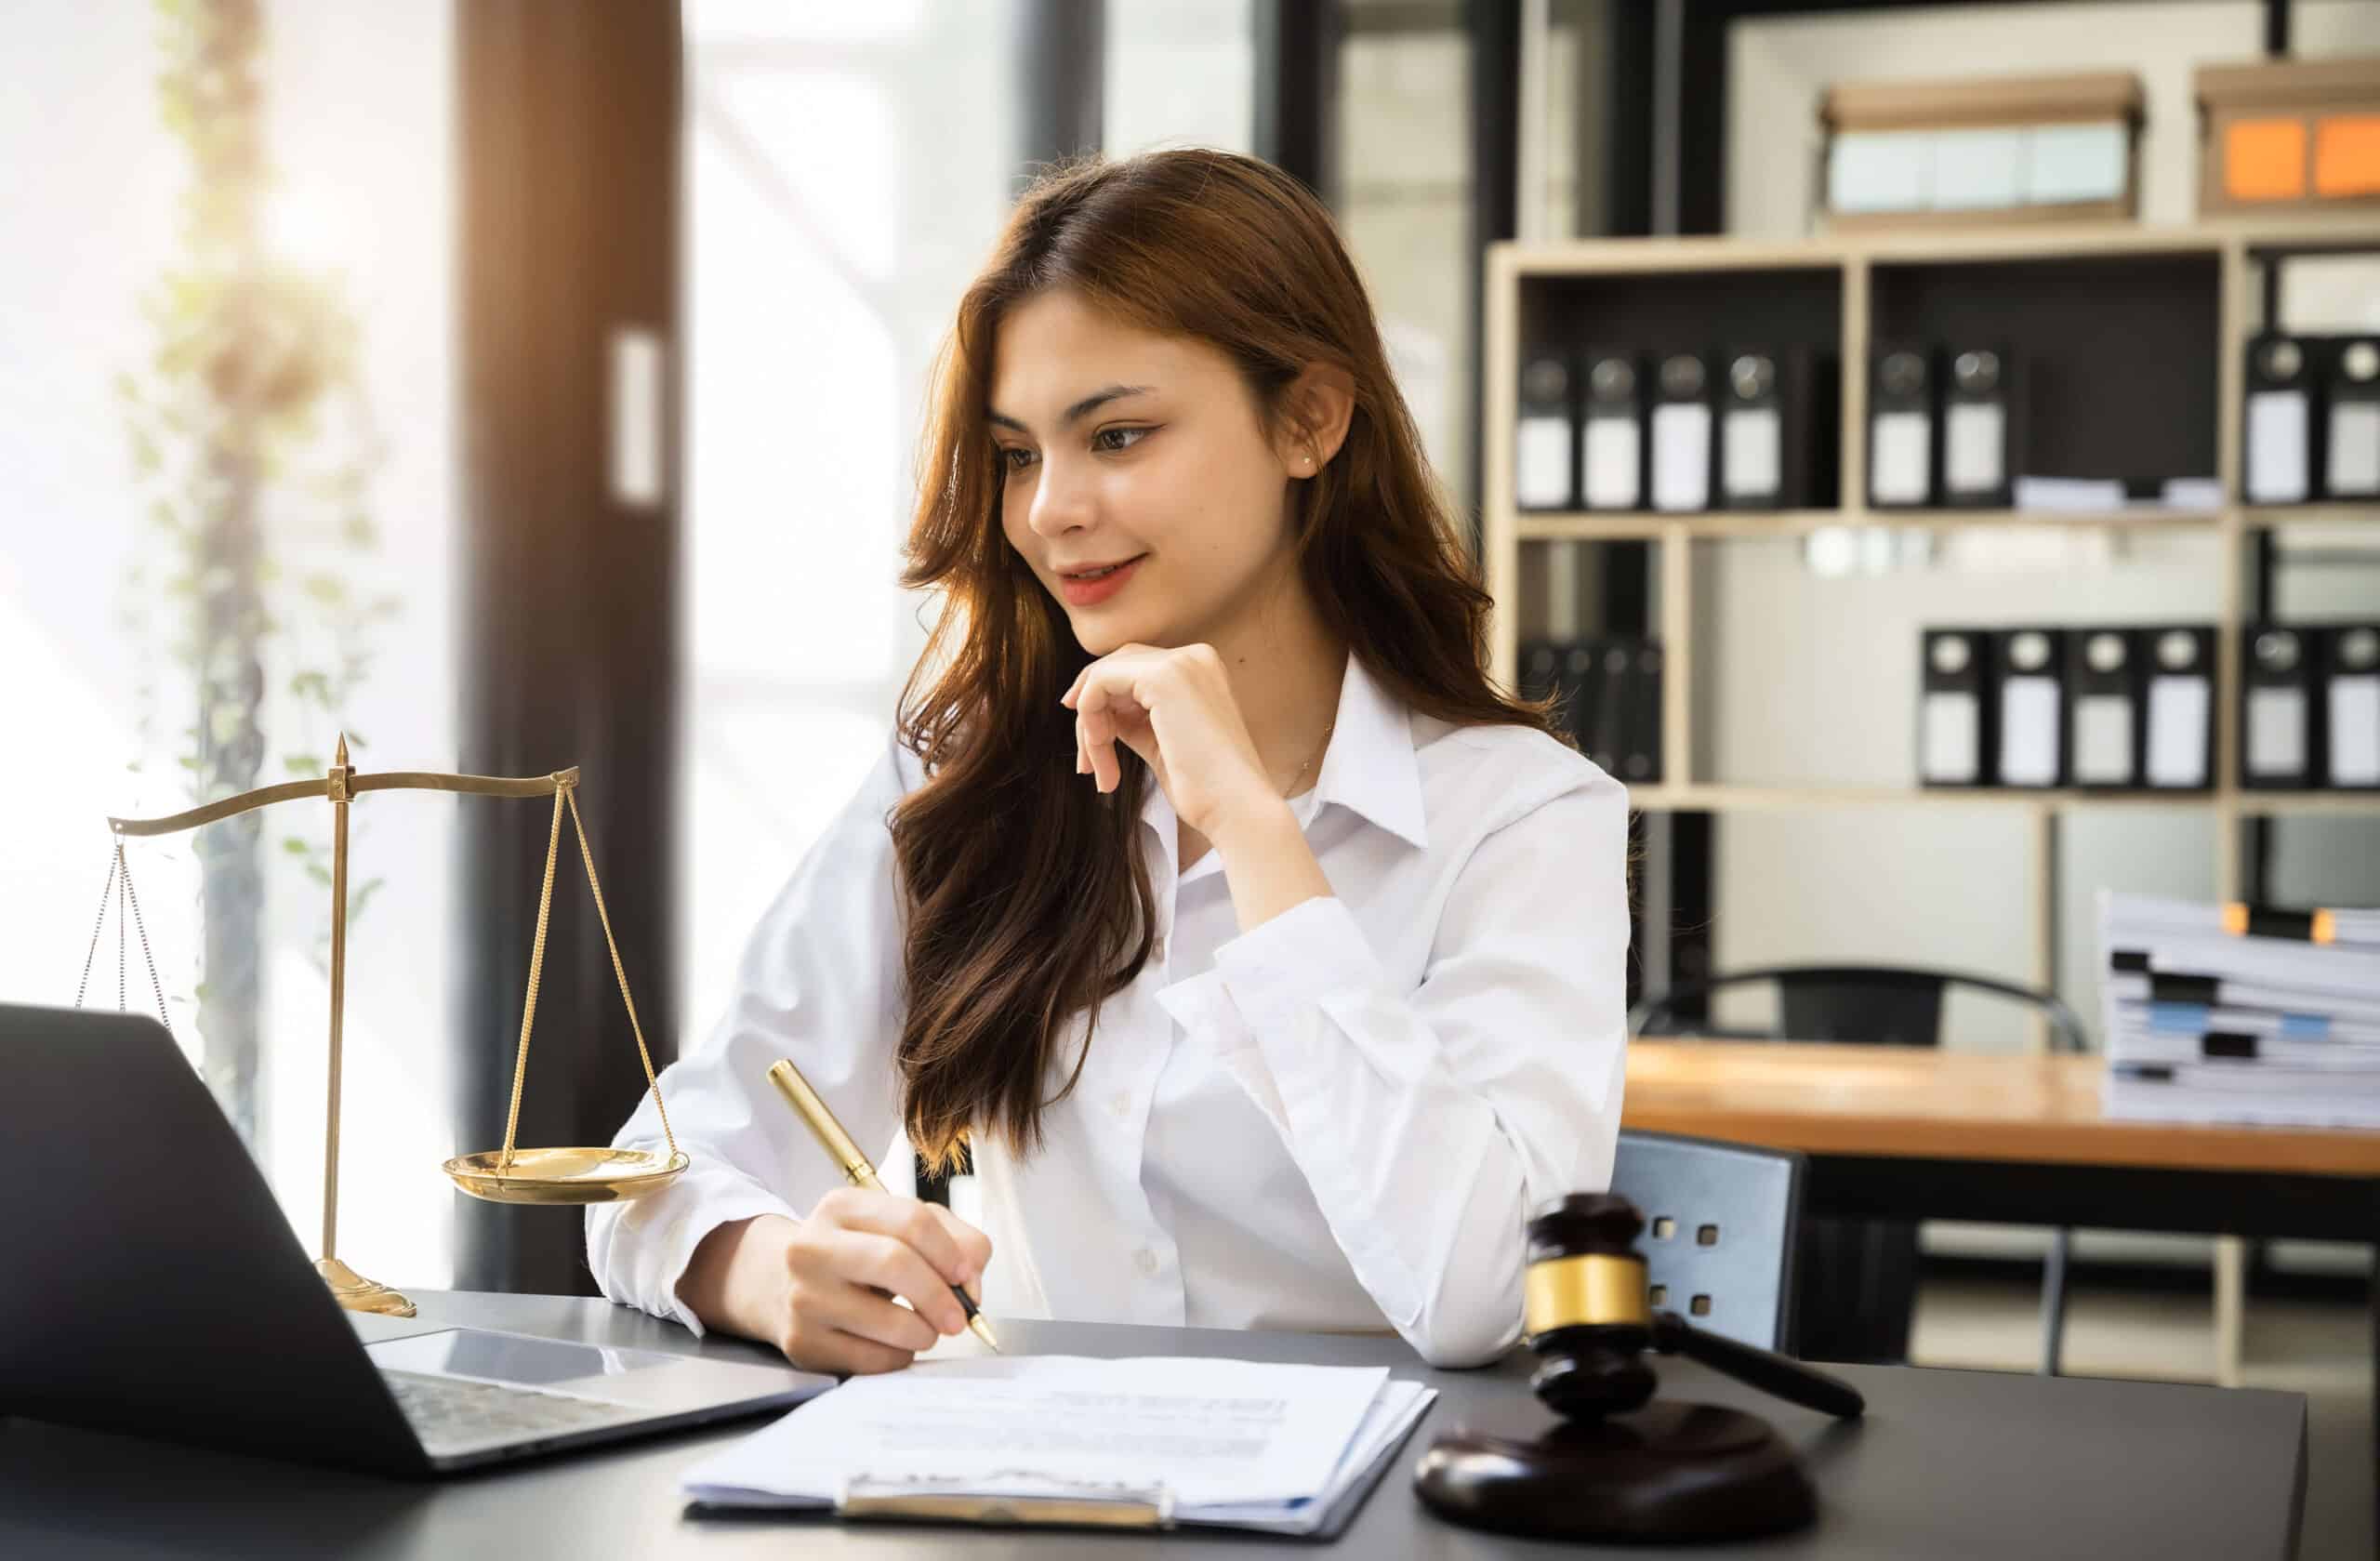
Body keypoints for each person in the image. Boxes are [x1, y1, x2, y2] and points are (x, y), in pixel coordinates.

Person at [588, 148, 1630, 1375]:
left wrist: (1251, 826)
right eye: (1021, 455)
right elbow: (652, 1172)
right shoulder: (966, 780)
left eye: (1118, 435)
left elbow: (1483, 1291)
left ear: (1309, 420)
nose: (1050, 510)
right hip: (1038, 1504)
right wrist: (767, 1274)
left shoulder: (1524, 818)